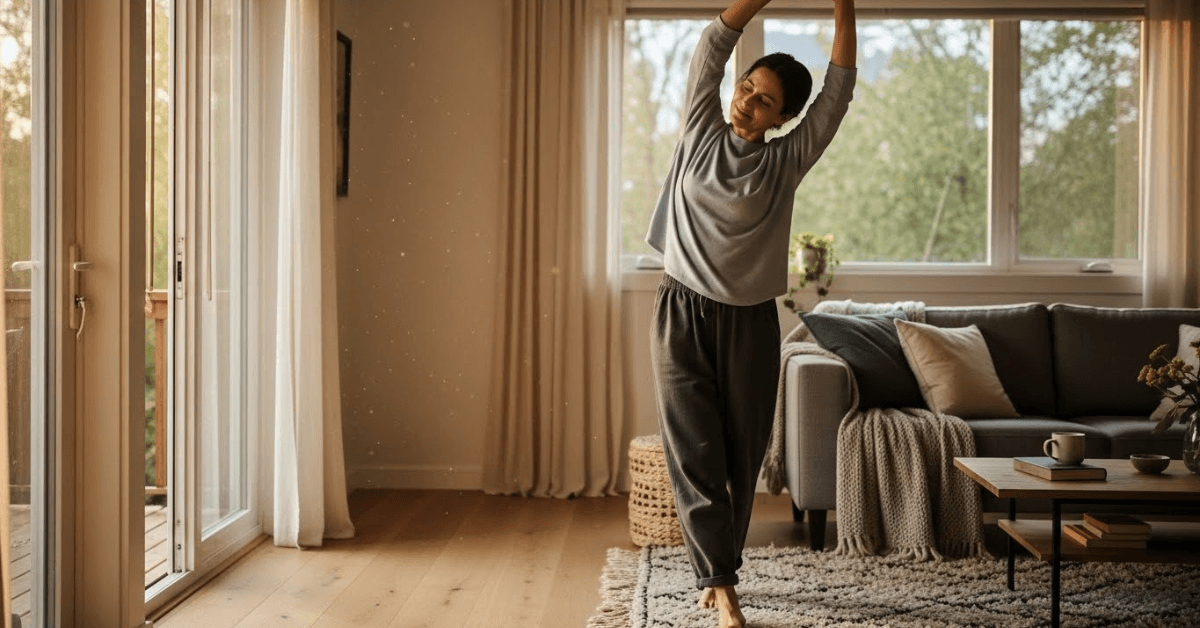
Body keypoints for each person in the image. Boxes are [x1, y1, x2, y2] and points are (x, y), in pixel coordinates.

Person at [644, 0, 856, 626]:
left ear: (784, 118)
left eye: (764, 101)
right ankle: (723, 585)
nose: (745, 102)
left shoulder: (786, 161)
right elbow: (714, 41)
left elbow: (838, 90)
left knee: (740, 456)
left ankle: (718, 572)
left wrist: (844, 6)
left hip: (749, 324)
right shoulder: (699, 128)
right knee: (694, 450)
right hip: (681, 311)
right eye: (746, 87)